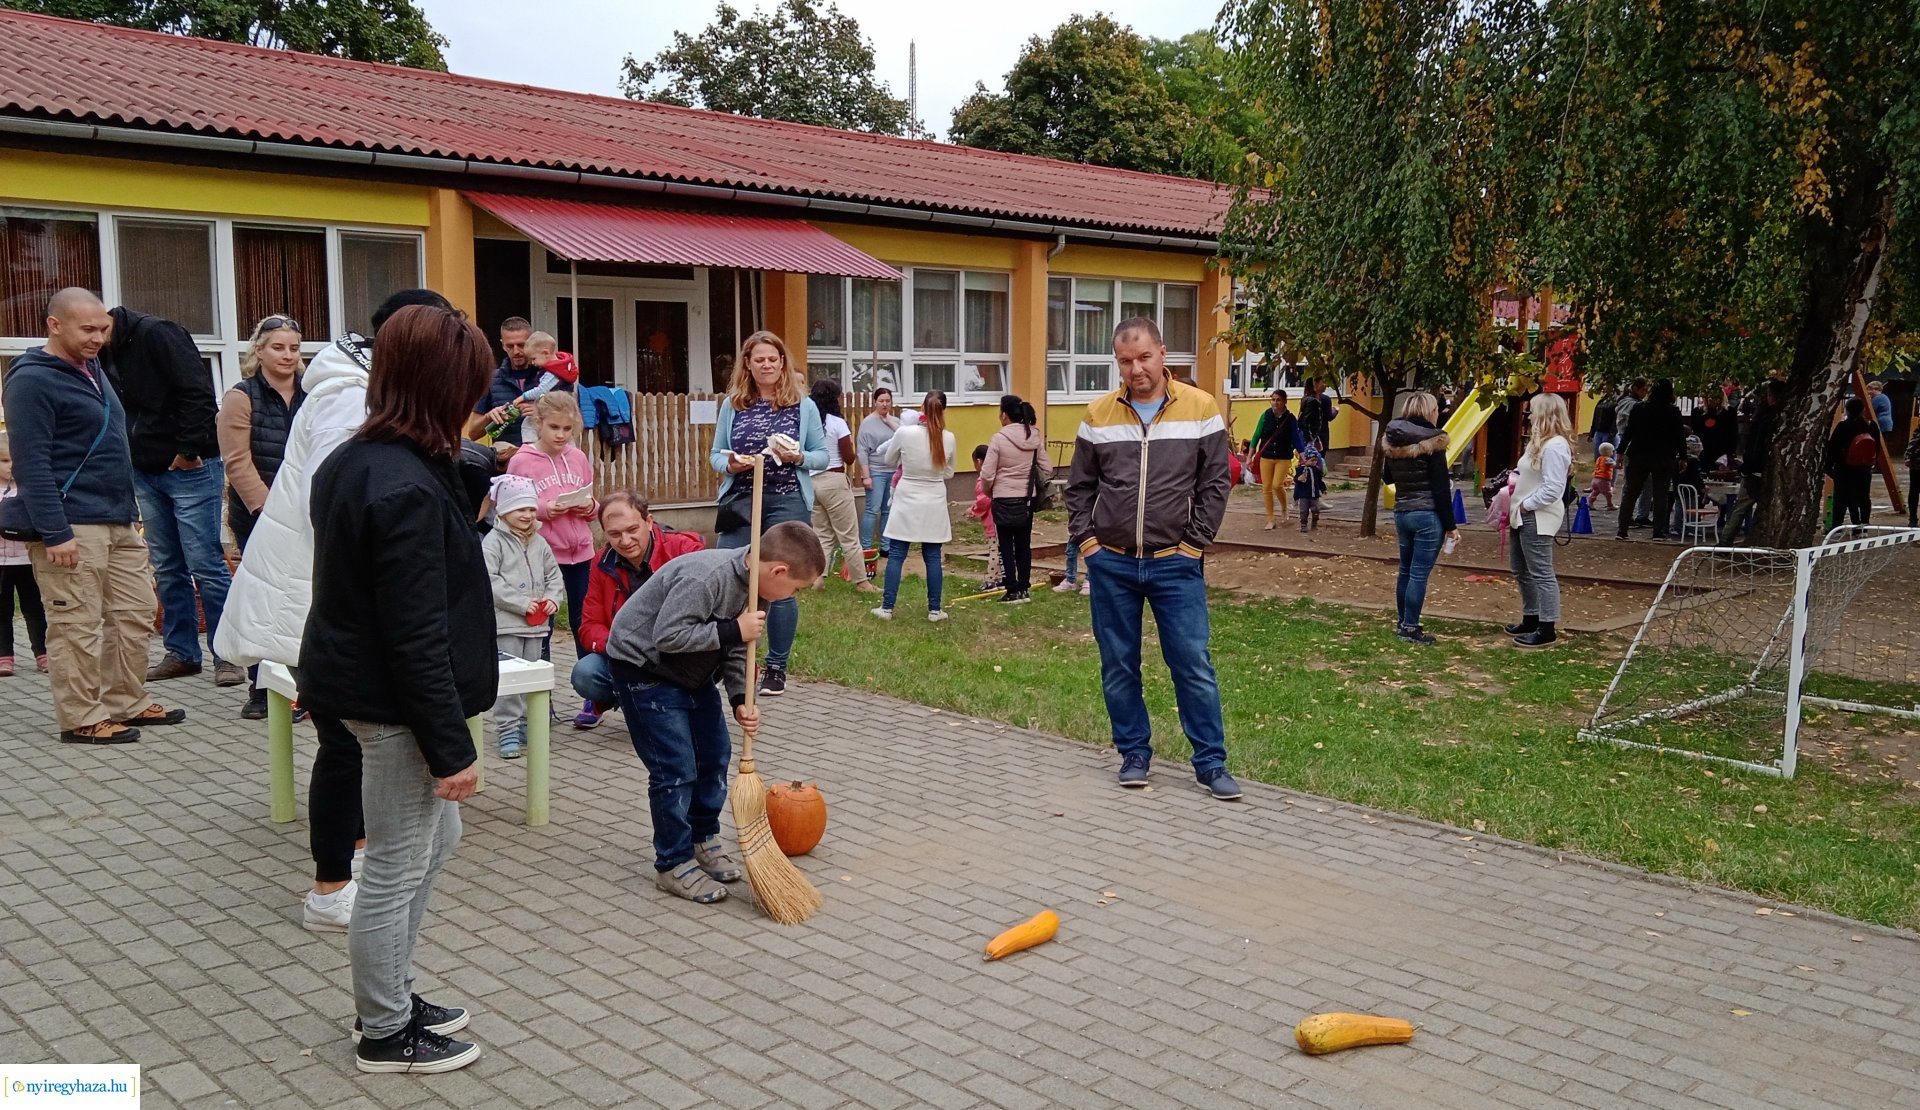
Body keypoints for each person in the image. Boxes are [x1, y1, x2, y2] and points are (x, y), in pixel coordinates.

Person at [216, 288, 454, 933]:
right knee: (343, 746)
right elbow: (346, 503)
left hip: (330, 595)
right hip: (322, 599)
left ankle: (355, 854)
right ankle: (329, 888)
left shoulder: (357, 386)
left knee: (350, 744)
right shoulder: (350, 395)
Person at [301, 303, 494, 1075]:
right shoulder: (401, 488)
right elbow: (414, 635)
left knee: (433, 841)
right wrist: (450, 748)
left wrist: (461, 463)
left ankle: (393, 992)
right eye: (469, 389)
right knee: (391, 864)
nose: (477, 405)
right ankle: (384, 1030)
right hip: (393, 706)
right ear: (440, 388)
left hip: (368, 690)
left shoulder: (368, 460)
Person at [1066, 318, 1238, 800]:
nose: (1136, 369)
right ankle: (1134, 753)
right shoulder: (1098, 414)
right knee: (1119, 663)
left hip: (1175, 563)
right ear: (1117, 362)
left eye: (1144, 357)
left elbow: (1215, 485)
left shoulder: (1201, 409)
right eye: (1125, 361)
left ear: (1162, 353)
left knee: (1192, 663)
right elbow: (1078, 488)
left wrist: (1194, 543)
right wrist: (1088, 545)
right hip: (1112, 564)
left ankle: (1210, 763)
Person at [3, 288, 184, 744]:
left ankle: (127, 700)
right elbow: (31, 463)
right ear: (54, 324)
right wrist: (55, 531)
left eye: (104, 328)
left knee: (136, 612)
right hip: (70, 524)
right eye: (87, 329)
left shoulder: (93, 368)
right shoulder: (31, 380)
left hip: (118, 518)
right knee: (77, 623)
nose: (98, 337)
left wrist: (130, 515)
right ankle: (82, 717)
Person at [606, 523, 821, 903]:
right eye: (797, 589)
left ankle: (702, 837)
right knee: (675, 768)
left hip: (693, 673)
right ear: (779, 572)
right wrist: (731, 630)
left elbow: (742, 647)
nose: (793, 597)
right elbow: (668, 637)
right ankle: (672, 863)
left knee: (715, 756)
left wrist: (740, 697)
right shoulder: (706, 578)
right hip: (646, 669)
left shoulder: (758, 591)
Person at [103, 305, 240, 688]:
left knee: (206, 564)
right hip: (144, 469)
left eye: (95, 331)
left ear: (104, 320)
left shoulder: (159, 333)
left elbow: (197, 392)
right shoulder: (101, 349)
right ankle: (181, 652)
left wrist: (190, 450)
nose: (92, 341)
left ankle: (228, 655)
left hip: (189, 468)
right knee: (166, 565)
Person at [708, 331, 828, 697]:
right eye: (759, 359)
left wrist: (798, 458)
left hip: (787, 499)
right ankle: (724, 659)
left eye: (773, 359)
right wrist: (731, 464)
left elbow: (822, 456)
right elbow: (715, 455)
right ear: (748, 363)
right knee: (729, 573)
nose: (766, 365)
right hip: (742, 499)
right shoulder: (733, 404)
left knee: (781, 581)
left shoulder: (802, 405)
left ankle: (776, 666)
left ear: (782, 363)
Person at [217, 315, 307, 720]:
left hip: (307, 513)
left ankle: (302, 686)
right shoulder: (241, 396)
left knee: (301, 597)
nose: (287, 355)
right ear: (259, 350)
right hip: (259, 514)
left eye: (293, 348)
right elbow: (237, 463)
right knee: (262, 597)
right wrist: (269, 510)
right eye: (278, 347)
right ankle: (260, 688)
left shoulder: (312, 393)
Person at [571, 491, 704, 729]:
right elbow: (589, 626)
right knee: (585, 673)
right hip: (626, 654)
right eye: (614, 534)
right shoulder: (601, 564)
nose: (625, 540)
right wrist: (621, 646)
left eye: (632, 530)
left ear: (649, 521)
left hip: (677, 651)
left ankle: (675, 703)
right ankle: (619, 699)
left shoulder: (684, 551)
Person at [505, 392, 597, 649]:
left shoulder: (578, 458)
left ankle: (590, 682)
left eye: (568, 429)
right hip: (542, 553)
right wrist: (544, 508)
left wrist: (589, 506)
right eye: (554, 427)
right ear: (538, 423)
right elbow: (510, 508)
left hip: (581, 552)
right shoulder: (521, 461)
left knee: (585, 619)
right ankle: (541, 683)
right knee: (544, 621)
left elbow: (592, 502)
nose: (561, 435)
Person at [483, 473, 563, 759]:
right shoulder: (494, 543)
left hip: (536, 627)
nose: (528, 515)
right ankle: (507, 729)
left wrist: (553, 598)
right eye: (520, 509)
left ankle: (532, 724)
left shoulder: (540, 542)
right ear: (503, 510)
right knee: (509, 681)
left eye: (531, 508)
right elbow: (488, 580)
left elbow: (554, 574)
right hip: (507, 625)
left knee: (534, 676)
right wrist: (519, 602)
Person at [872, 391, 957, 621]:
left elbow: (888, 460)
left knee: (897, 553)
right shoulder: (948, 438)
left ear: (922, 408)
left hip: (907, 495)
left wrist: (907, 461)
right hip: (934, 499)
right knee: (932, 556)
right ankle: (935, 609)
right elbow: (949, 472)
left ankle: (887, 608)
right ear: (944, 410)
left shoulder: (904, 432)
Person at [1382, 392, 1458, 645]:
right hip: (1428, 514)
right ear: (1429, 411)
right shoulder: (1434, 440)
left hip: (1402, 511)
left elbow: (1387, 478)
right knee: (1418, 574)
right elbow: (1439, 488)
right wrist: (1451, 526)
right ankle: (1411, 627)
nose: (1438, 412)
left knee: (1405, 571)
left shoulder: (1392, 437)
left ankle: (1403, 622)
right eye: (1436, 408)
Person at [1507, 394, 1574, 648]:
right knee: (1521, 568)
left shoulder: (1555, 446)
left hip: (1536, 514)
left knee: (1541, 571)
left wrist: (1526, 505)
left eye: (1533, 411)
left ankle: (1547, 627)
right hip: (1521, 513)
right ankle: (1531, 616)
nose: (1530, 415)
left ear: (1545, 413)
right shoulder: (1538, 442)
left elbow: (1553, 487)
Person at [980, 394, 1051, 604]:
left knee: (1005, 545)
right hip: (1027, 499)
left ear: (1004, 415)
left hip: (1003, 498)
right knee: (1023, 544)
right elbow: (1047, 467)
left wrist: (989, 492)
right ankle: (1024, 588)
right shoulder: (1034, 437)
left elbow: (987, 474)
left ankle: (1011, 589)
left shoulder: (999, 438)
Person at [807, 379, 874, 592]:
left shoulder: (806, 423)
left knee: (822, 535)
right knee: (849, 535)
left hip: (811, 482)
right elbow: (849, 457)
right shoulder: (837, 423)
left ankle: (817, 578)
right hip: (833, 481)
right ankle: (861, 582)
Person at [469, 316, 570, 449]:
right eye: (510, 346)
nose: (516, 351)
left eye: (521, 345)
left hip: (547, 459)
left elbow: (573, 420)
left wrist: (542, 412)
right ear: (502, 345)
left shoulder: (554, 376)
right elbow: (473, 434)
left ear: (532, 343)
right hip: (507, 462)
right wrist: (489, 417)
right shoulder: (490, 379)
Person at [0, 432, 50, 678]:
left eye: (15, 460)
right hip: (0, 562)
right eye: (5, 461)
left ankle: (43, 653)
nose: (11, 467)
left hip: (27, 559)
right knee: (2, 610)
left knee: (34, 608)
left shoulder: (30, 491)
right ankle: (4, 656)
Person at [1615, 379, 1684, 539]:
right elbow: (1679, 435)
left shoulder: (1640, 408)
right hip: (1663, 455)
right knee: (1660, 493)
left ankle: (1622, 529)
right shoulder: (1672, 411)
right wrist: (1683, 456)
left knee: (1631, 492)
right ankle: (1658, 531)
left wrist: (1620, 451)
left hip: (1639, 453)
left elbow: (1629, 431)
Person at [1724, 380, 1784, 544]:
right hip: (1764, 468)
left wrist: (1748, 466)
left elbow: (1754, 443)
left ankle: (1725, 539)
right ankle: (1729, 538)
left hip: (1754, 467)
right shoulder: (1777, 417)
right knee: (1755, 505)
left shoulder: (1762, 416)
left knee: (1742, 505)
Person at [1249, 389, 1302, 529]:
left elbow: (1296, 438)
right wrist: (1250, 456)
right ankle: (1270, 519)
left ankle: (1284, 508)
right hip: (1266, 456)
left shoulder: (1290, 418)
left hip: (1283, 456)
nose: (1275, 402)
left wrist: (1302, 454)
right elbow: (1256, 436)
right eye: (1273, 399)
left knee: (1277, 485)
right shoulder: (1266, 415)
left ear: (1284, 401)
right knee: (1266, 487)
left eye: (1278, 400)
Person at [857, 386, 901, 555]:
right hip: (876, 471)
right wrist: (866, 476)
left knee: (887, 510)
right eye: (881, 401)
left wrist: (889, 421)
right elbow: (862, 451)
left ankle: (886, 545)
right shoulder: (867, 423)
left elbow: (903, 436)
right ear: (875, 402)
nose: (884, 404)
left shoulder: (895, 422)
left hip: (893, 470)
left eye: (888, 401)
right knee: (872, 509)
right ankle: (866, 546)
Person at [1826, 397, 1877, 528]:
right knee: (1864, 497)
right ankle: (1864, 524)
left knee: (1841, 499)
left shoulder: (1843, 426)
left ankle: (1837, 526)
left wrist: (1828, 467)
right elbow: (1877, 448)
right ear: (1863, 410)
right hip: (1864, 467)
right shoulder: (1871, 425)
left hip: (1844, 468)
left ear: (1847, 410)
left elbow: (1833, 447)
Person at [1612, 378, 1653, 525]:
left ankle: (1642, 514)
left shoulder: (1637, 405)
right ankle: (1627, 516)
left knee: (1647, 482)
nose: (1645, 393)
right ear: (1635, 388)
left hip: (1640, 446)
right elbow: (1628, 429)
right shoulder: (1630, 405)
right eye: (1643, 390)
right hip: (1631, 446)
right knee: (1631, 483)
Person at [967, 444, 1004, 593]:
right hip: (1002, 517)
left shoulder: (984, 478)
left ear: (980, 461)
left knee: (994, 550)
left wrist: (973, 510)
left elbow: (984, 500)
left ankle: (991, 580)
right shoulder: (998, 473)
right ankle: (1003, 578)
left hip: (993, 520)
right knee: (1002, 550)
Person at [1690, 391, 1739, 470]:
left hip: (1721, 452)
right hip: (1704, 452)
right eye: (1709, 397)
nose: (1711, 400)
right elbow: (1696, 431)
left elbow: (1733, 434)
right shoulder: (1697, 412)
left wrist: (1730, 453)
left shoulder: (1729, 412)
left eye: (1715, 397)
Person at [1292, 444, 1327, 533]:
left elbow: (1319, 481)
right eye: (1312, 460)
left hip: (1314, 494)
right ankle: (1303, 525)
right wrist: (1298, 479)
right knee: (1304, 511)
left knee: (1316, 509)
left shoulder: (1316, 470)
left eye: (1316, 460)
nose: (1314, 462)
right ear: (1306, 460)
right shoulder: (1301, 469)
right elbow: (1296, 480)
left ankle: (1314, 523)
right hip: (1304, 495)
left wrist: (1323, 489)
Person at [1297, 376, 1337, 451]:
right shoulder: (1315, 401)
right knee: (1316, 461)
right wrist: (1335, 410)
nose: (1325, 385)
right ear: (1315, 383)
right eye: (1323, 382)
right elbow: (1306, 423)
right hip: (1316, 439)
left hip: (1310, 439)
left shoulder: (1305, 398)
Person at [1589, 386, 1620, 456]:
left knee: (1607, 457)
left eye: (1607, 385)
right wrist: (1592, 431)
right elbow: (1596, 415)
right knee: (1598, 456)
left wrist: (1612, 433)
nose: (1604, 388)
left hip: (1608, 433)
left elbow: (1616, 418)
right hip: (1598, 432)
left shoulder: (1616, 400)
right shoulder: (1602, 400)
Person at [1588, 441, 1618, 510]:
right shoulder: (1608, 459)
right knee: (1608, 493)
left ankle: (1590, 502)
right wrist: (1619, 464)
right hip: (1603, 480)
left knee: (1595, 491)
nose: (1612, 453)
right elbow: (1615, 465)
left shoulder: (1599, 458)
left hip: (1595, 479)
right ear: (1608, 452)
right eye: (1612, 451)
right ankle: (1610, 505)